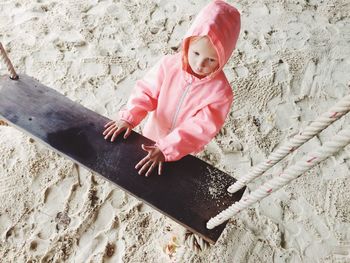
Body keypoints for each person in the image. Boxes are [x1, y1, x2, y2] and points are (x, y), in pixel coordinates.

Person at [103, 0, 241, 177]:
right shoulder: (169, 64)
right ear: (188, 45)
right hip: (154, 129)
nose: (200, 64)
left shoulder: (220, 93)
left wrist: (168, 148)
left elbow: (201, 128)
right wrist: (129, 118)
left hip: (183, 146)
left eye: (211, 60)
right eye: (196, 53)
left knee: (169, 177)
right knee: (139, 169)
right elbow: (146, 90)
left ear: (223, 58)